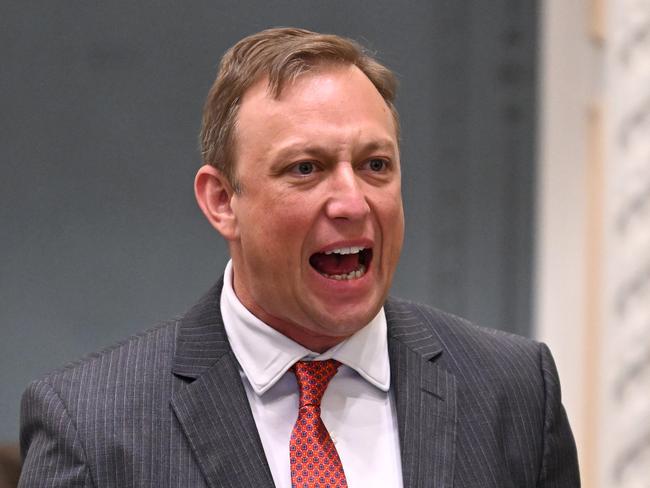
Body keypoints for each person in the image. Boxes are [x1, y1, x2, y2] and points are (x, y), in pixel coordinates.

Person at [18, 28, 580, 487]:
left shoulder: (514, 391)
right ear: (222, 201)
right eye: (305, 168)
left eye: (375, 165)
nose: (352, 202)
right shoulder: (92, 428)